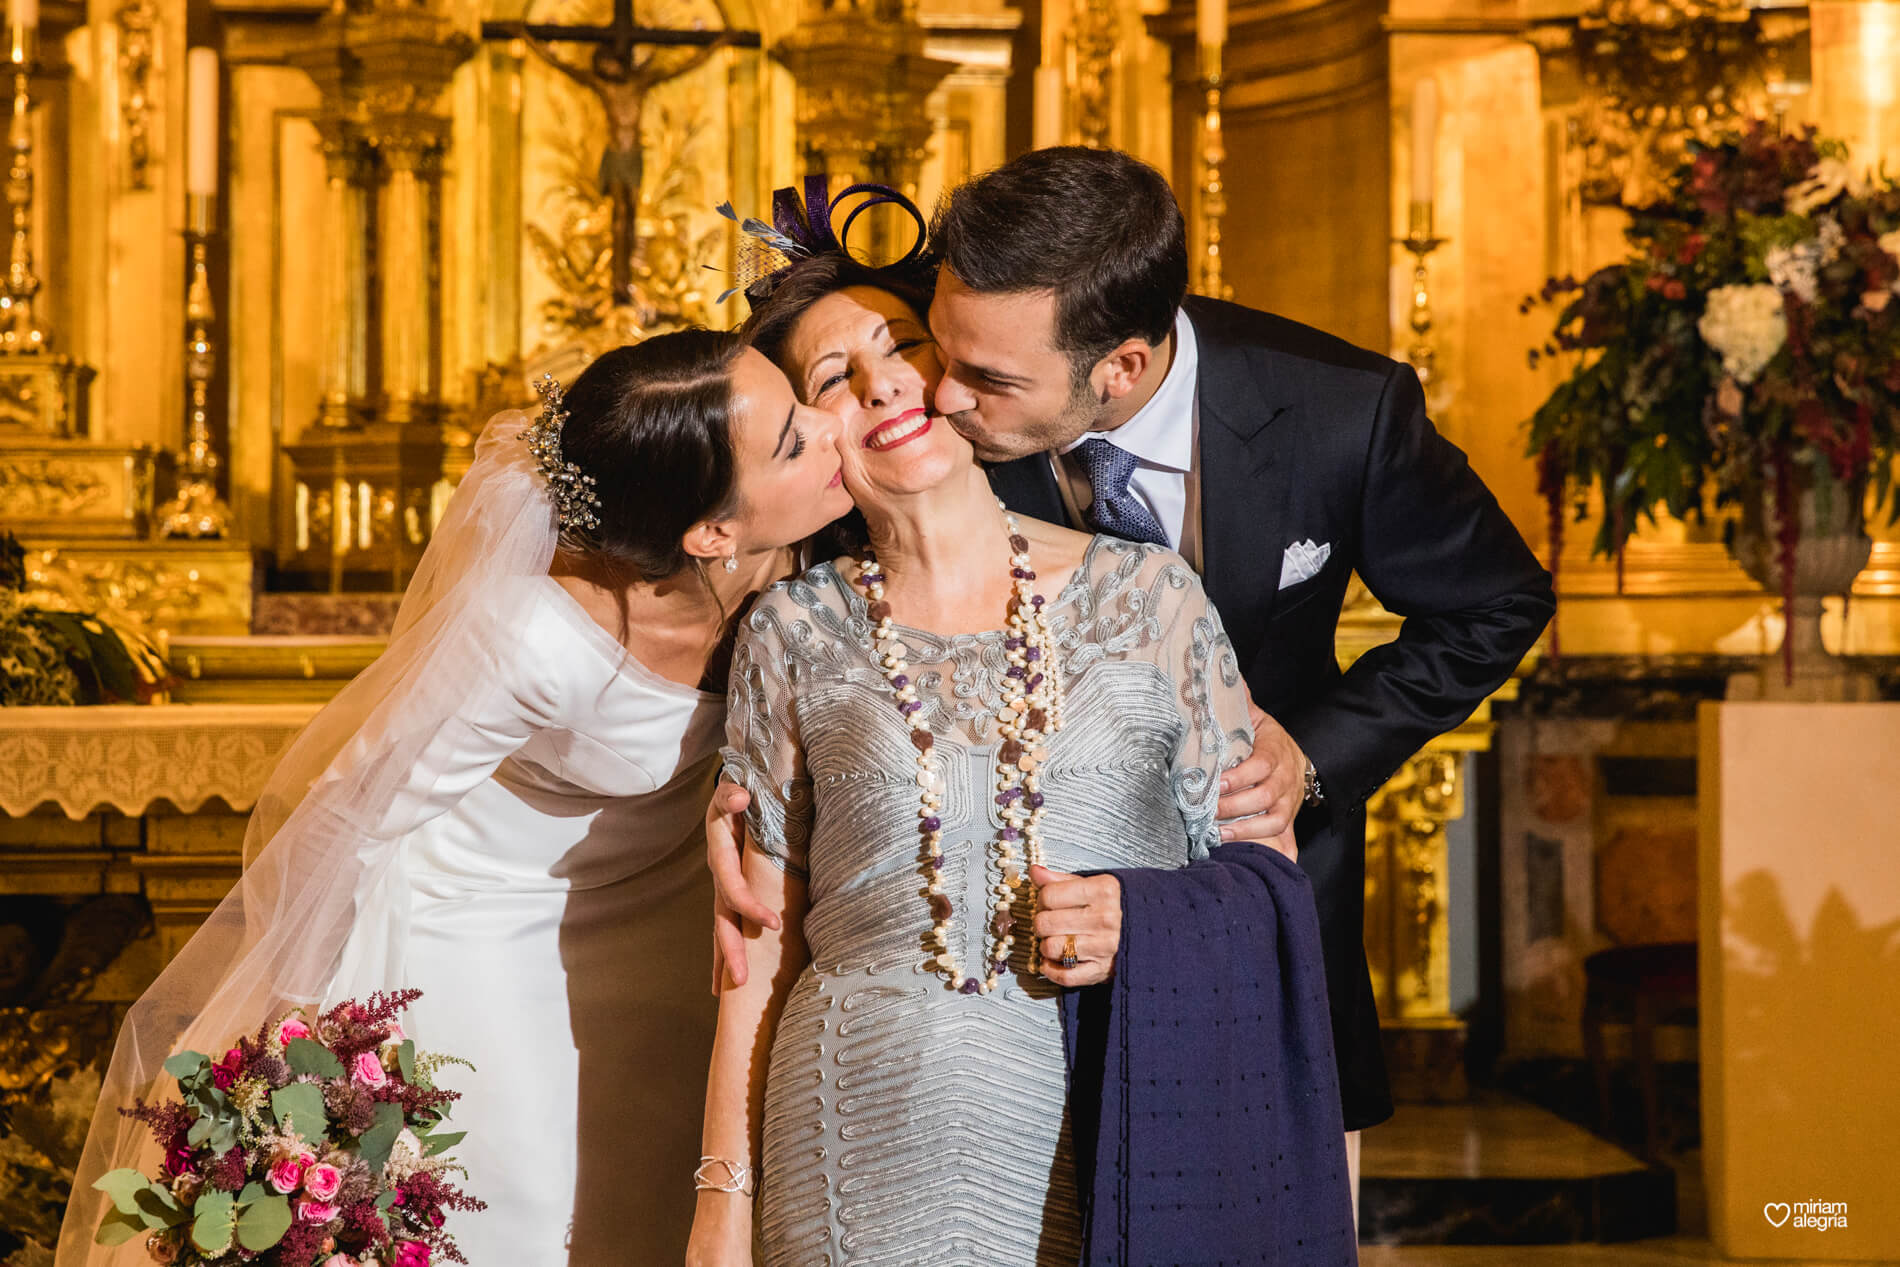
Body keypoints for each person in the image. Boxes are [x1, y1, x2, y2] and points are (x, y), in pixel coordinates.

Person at [709, 147, 1556, 1207]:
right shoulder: (942, 405)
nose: (945, 394)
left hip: (1248, 918)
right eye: (946, 350)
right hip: (987, 1000)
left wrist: (1313, 750)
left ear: (1119, 365)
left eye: (991, 380)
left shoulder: (1344, 410)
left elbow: (1496, 600)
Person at [58, 331, 852, 1266]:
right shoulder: (530, 638)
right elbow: (343, 815)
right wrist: (292, 1056)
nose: (838, 428)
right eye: (796, 441)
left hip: (661, 942)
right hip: (483, 943)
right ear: (709, 531)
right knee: (521, 1206)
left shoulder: (799, 570)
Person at [685, 231, 1356, 1266]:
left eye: (902, 343)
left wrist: (1144, 916)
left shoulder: (1150, 595)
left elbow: (1260, 877)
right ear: (804, 433)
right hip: (855, 1123)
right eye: (834, 376)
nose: (882, 383)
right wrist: (721, 1205)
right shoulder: (791, 629)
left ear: (959, 371)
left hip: (1110, 1102)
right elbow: (755, 948)